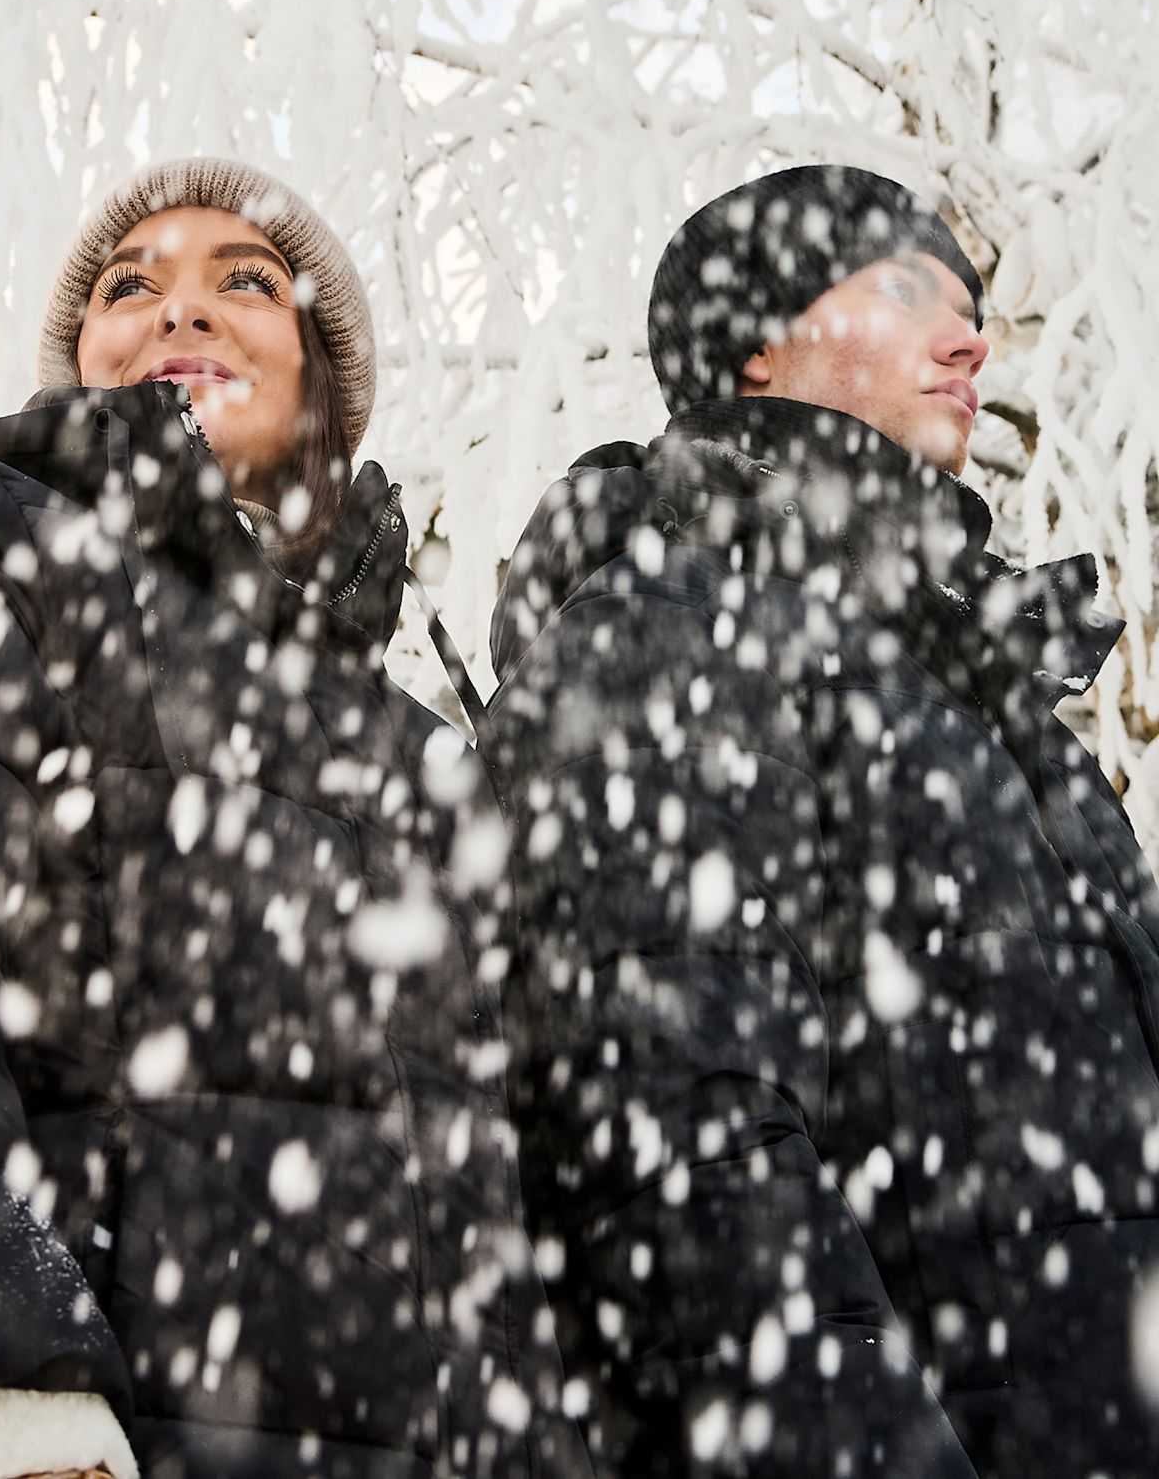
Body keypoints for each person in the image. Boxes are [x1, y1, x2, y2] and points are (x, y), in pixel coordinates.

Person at [0, 157, 585, 1479]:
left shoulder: (423, 754)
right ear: (81, 362)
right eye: (128, 287)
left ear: (321, 376)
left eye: (247, 280)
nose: (179, 308)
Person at [488, 164, 1159, 1476]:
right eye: (908, 291)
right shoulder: (673, 616)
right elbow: (677, 1153)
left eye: (973, 309)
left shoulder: (993, 706)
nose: (968, 340)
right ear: (756, 346)